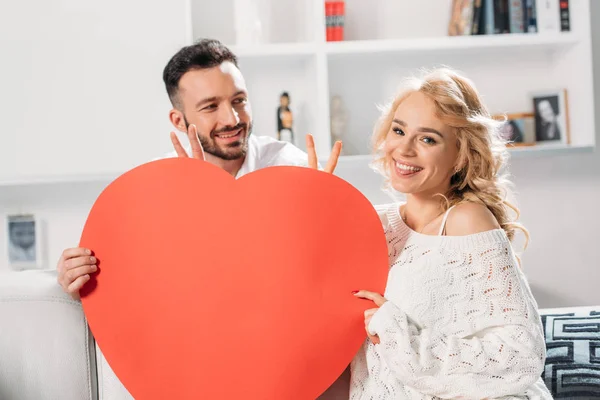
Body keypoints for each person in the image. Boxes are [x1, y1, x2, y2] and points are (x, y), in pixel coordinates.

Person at [56, 39, 341, 298]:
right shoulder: (152, 190)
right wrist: (76, 274)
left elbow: (325, 267)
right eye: (210, 107)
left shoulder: (291, 167)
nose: (231, 119)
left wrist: (326, 220)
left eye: (239, 101)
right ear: (178, 121)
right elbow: (130, 278)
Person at [352, 68, 551, 399]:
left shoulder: (466, 219)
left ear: (459, 156)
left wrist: (395, 332)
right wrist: (319, 203)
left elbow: (522, 352)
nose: (404, 149)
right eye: (399, 130)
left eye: (428, 139)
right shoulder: (375, 223)